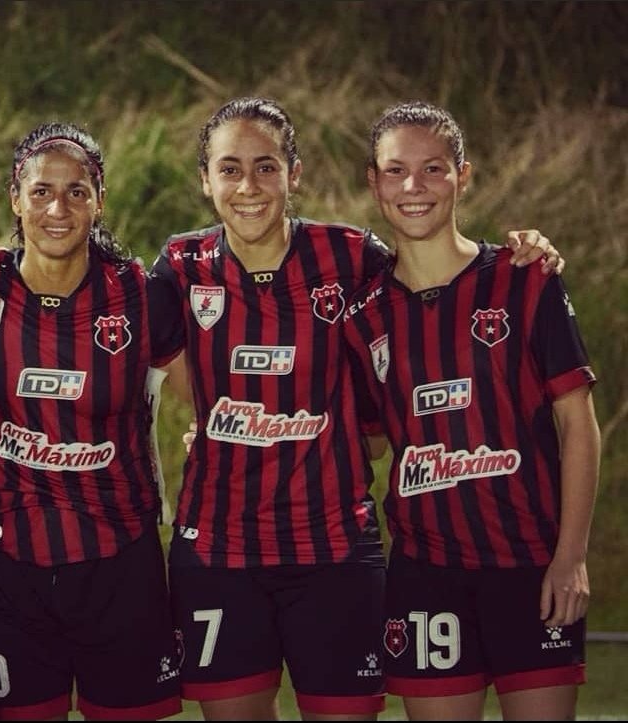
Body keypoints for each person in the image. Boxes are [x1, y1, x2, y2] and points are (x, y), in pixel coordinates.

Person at [149, 97, 563, 721]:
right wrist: (219, 420)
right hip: (218, 554)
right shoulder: (180, 266)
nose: (249, 186)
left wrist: (526, 251)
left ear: (295, 173)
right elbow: (146, 367)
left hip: (335, 553)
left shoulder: (350, 257)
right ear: (204, 180)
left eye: (266, 167)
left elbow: (432, 289)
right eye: (229, 169)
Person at [342, 101, 599, 720]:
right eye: (397, 171)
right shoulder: (364, 314)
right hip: (426, 571)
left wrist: (571, 557)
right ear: (374, 183)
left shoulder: (525, 278)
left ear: (464, 175)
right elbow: (370, 443)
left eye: (433, 169)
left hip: (532, 567)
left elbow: (579, 427)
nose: (414, 187)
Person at [0, 122, 183, 721]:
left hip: (121, 561)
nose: (58, 208)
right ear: (15, 199)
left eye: (76, 191)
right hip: (10, 567)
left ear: (100, 199)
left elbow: (213, 393)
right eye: (41, 191)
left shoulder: (143, 297)